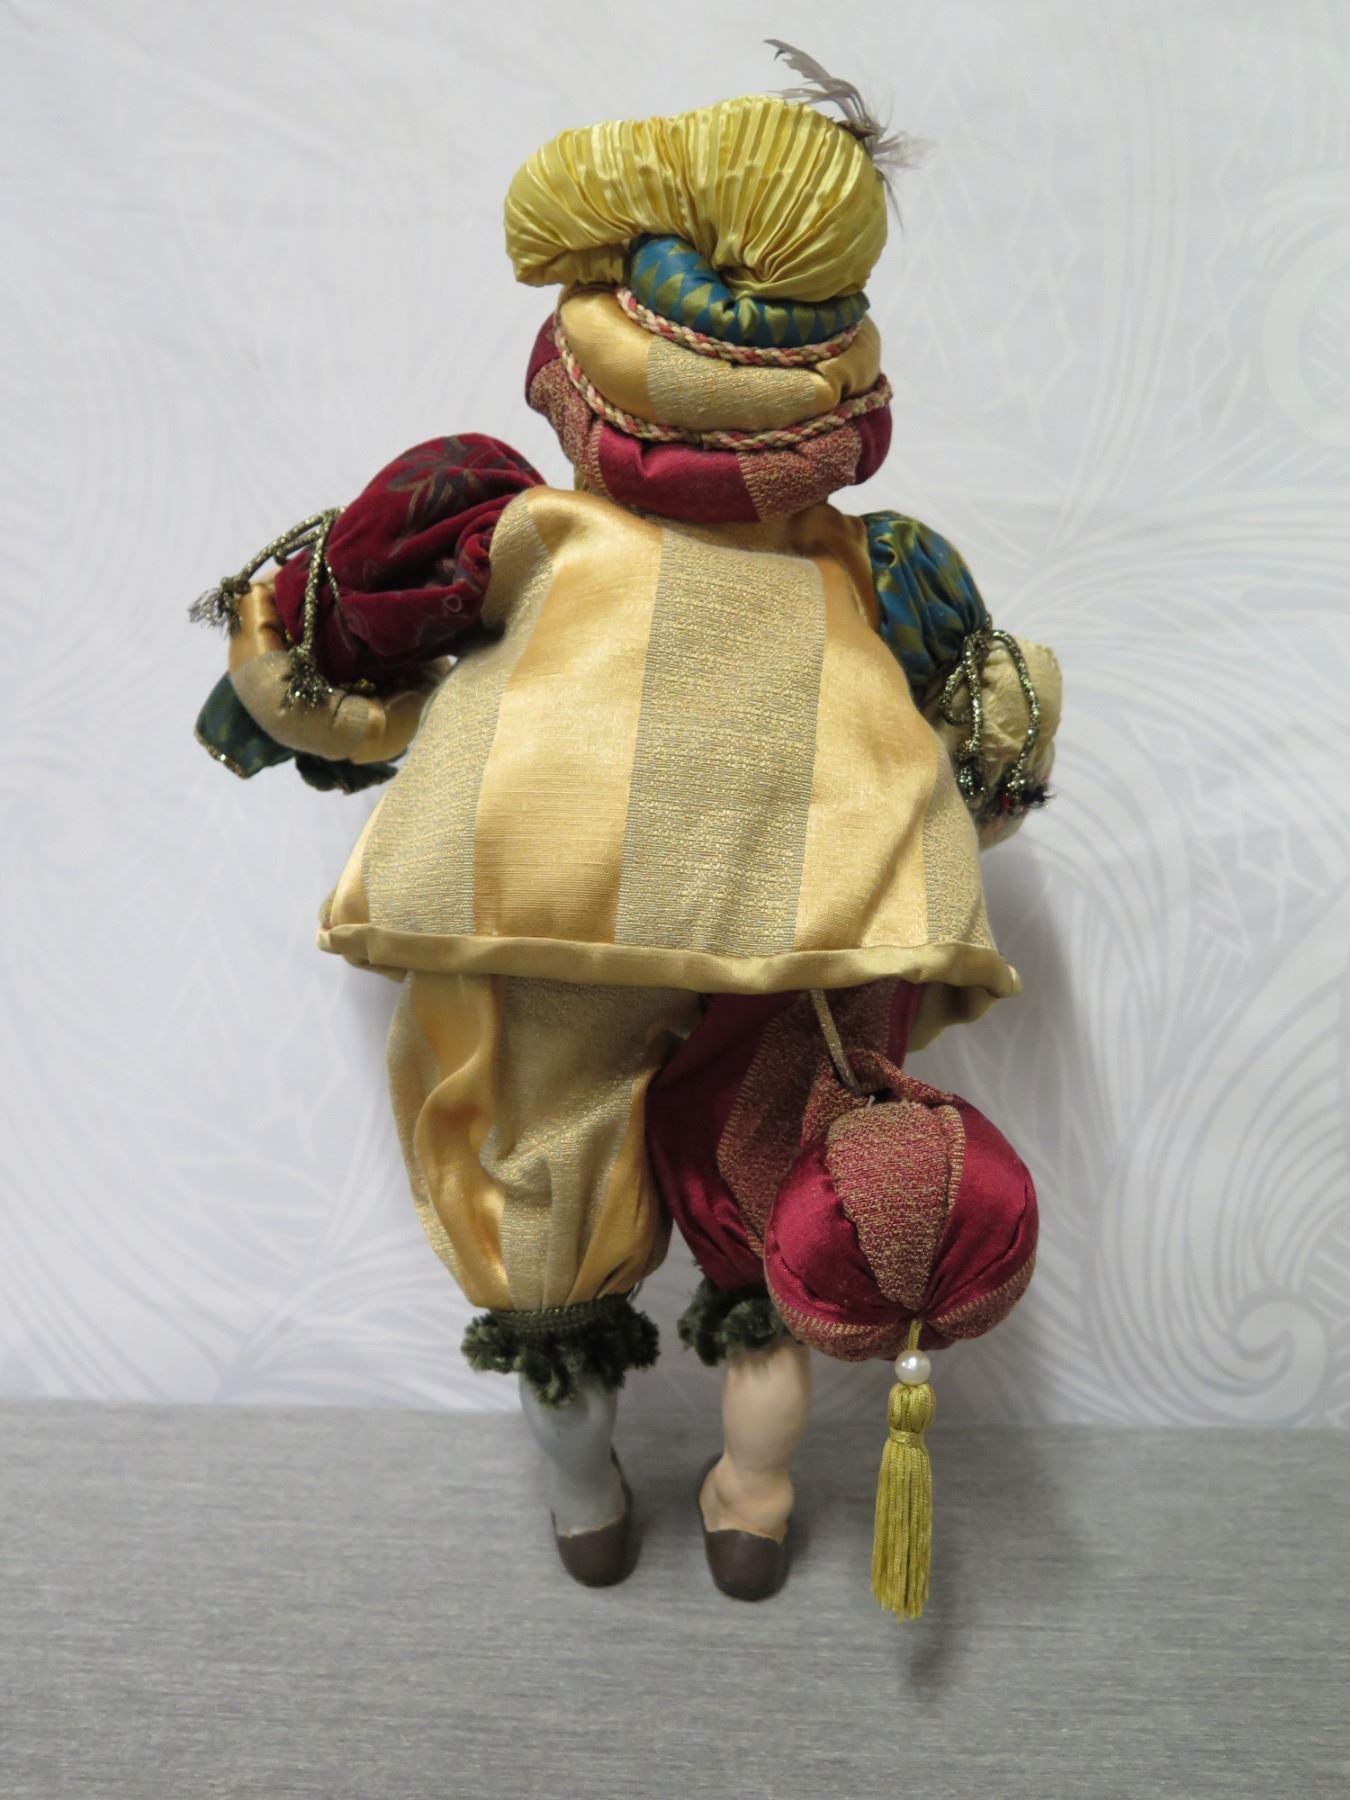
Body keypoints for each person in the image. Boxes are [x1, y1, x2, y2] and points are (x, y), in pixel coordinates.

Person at [193, 63, 1058, 1610]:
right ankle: (752, 1500)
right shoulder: (880, 570)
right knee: (780, 1203)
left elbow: (343, 677)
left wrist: (280, 679)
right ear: (838, 389)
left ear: (584, 365)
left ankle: (584, 1497)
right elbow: (983, 765)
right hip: (811, 932)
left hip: (545, 914)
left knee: (541, 1211)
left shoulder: (515, 526)